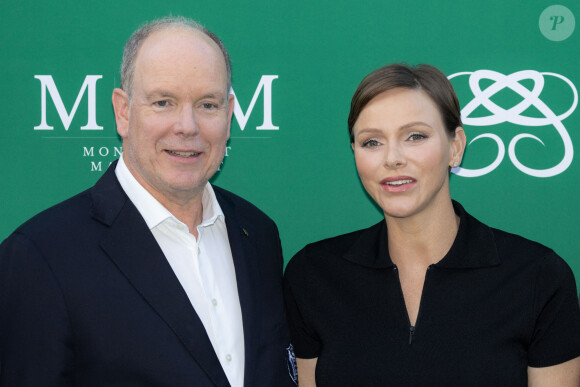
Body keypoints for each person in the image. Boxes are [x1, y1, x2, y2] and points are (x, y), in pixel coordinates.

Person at [0, 16, 295, 386]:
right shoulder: (40, 256)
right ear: (123, 112)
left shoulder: (258, 234)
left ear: (230, 114)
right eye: (163, 102)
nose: (187, 126)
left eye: (207, 104)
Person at [283, 63, 580, 386]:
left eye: (415, 136)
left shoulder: (537, 277)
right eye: (372, 142)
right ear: (354, 152)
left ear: (456, 146)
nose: (392, 158)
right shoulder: (314, 275)